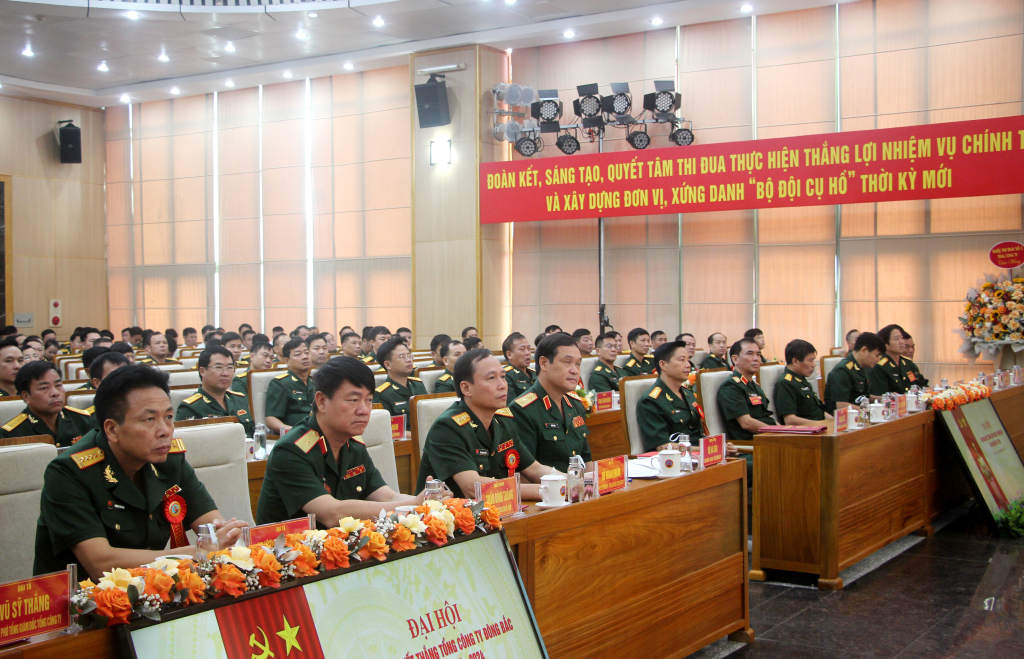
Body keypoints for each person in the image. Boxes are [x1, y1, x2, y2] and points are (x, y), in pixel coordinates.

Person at [33, 364, 248, 578]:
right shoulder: (68, 473)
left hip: (154, 592)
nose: (165, 430)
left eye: (169, 417)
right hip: (80, 601)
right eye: (149, 419)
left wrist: (225, 535)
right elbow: (100, 563)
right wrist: (195, 553)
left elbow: (212, 525)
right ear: (112, 429)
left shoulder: (170, 460)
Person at [257, 357, 422, 526]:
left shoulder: (354, 444)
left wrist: (427, 502)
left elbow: (387, 496)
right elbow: (332, 513)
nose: (364, 410)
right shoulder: (290, 451)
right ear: (322, 401)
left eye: (369, 400)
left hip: (341, 545)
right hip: (289, 547)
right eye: (353, 400)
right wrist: (412, 505)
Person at [417, 349, 549, 499]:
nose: (502, 385)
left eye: (503, 377)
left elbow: (534, 469)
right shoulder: (447, 427)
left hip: (495, 513)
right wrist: (547, 490)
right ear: (466, 388)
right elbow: (473, 488)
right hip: (449, 518)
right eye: (492, 378)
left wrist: (569, 482)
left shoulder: (503, 420)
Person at [509, 333, 592, 473]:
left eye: (578, 364)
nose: (574, 370)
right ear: (544, 363)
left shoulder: (576, 404)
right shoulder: (522, 410)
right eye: (567, 362)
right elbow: (524, 473)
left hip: (577, 489)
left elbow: (586, 459)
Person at [0, 360, 94, 446]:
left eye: (58, 385)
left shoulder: (82, 420)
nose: (55, 393)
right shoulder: (11, 434)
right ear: (26, 396)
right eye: (44, 388)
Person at [636, 341, 705, 451]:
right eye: (682, 360)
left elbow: (699, 433)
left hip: (700, 455)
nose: (688, 365)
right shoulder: (651, 401)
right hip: (676, 462)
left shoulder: (687, 393)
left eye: (688, 360)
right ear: (663, 365)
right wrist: (704, 450)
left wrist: (718, 445)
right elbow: (662, 446)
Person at [175, 347, 255, 437]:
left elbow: (253, 435)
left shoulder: (239, 399)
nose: (225, 373)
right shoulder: (190, 408)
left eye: (229, 367)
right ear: (202, 371)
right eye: (219, 367)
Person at [717, 338, 773, 445]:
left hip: (768, 439)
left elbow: (766, 417)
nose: (756, 358)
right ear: (735, 359)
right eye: (750, 354)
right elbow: (746, 423)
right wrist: (779, 432)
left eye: (758, 354)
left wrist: (783, 429)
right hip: (752, 444)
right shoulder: (731, 387)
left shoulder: (753, 385)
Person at [824, 332, 886, 414]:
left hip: (859, 416)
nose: (878, 360)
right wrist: (869, 411)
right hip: (842, 420)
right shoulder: (842, 371)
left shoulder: (861, 368)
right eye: (877, 355)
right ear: (864, 350)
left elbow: (862, 397)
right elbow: (841, 405)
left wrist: (882, 398)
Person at [372, 337, 426, 429]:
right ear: (388, 364)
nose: (409, 360)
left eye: (409, 356)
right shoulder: (382, 395)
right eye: (402, 357)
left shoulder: (418, 384)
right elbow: (390, 431)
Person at [264, 338, 314, 435]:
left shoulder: (316, 382)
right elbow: (270, 419)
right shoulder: (280, 383)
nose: (305, 357)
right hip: (296, 436)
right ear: (287, 361)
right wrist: (291, 432)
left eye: (307, 353)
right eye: (298, 354)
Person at [774, 340, 829, 425]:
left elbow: (818, 411)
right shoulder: (785, 384)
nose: (814, 365)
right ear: (795, 361)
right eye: (810, 360)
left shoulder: (801, 379)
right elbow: (790, 420)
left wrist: (834, 422)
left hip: (820, 428)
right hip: (807, 433)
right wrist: (821, 425)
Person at [870, 324, 910, 395]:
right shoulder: (880, 367)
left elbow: (921, 384)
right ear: (885, 344)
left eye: (902, 338)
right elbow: (880, 395)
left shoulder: (908, 363)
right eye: (896, 339)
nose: (902, 342)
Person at [502, 332, 535, 403]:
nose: (528, 353)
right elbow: (512, 406)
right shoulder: (505, 376)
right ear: (509, 354)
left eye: (529, 349)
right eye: (522, 349)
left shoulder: (535, 373)